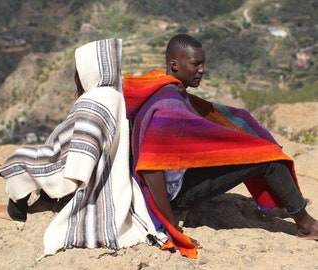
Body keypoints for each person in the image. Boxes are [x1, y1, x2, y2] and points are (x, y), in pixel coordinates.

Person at [123, 33, 318, 258]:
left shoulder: (164, 87)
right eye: (196, 64)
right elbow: (152, 169)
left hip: (177, 179)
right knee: (269, 159)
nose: (202, 70)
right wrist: (171, 226)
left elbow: (203, 120)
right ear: (174, 64)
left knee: (243, 129)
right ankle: (306, 226)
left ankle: (287, 201)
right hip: (177, 195)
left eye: (203, 63)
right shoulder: (167, 107)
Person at [0, 38, 160, 257]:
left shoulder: (93, 100)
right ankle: (46, 200)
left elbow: (83, 148)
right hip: (107, 169)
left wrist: (67, 165)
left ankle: (16, 212)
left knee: (20, 158)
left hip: (85, 167)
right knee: (49, 159)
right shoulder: (116, 96)